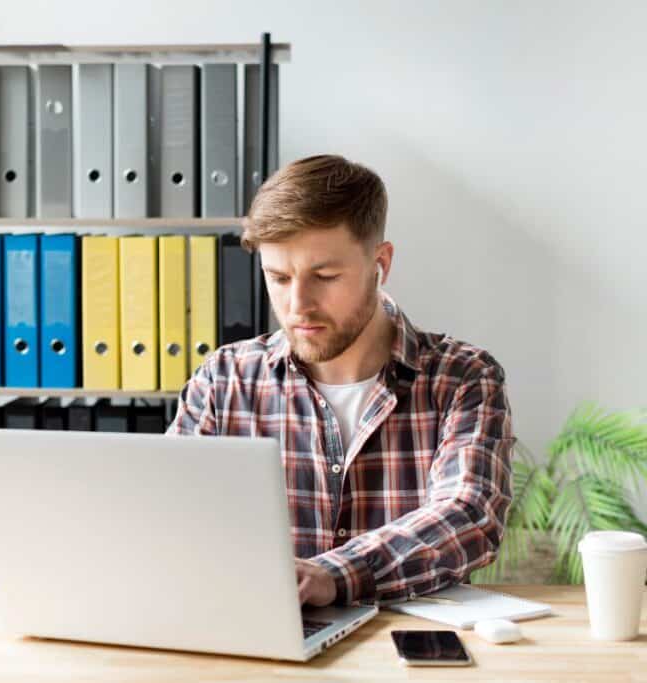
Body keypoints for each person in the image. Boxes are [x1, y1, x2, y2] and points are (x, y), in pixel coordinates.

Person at [167, 155, 514, 608]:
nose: (298, 305)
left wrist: (336, 574)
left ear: (380, 263)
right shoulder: (224, 380)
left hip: (399, 652)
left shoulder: (462, 377)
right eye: (279, 277)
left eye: (325, 277)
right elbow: (169, 513)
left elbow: (469, 515)